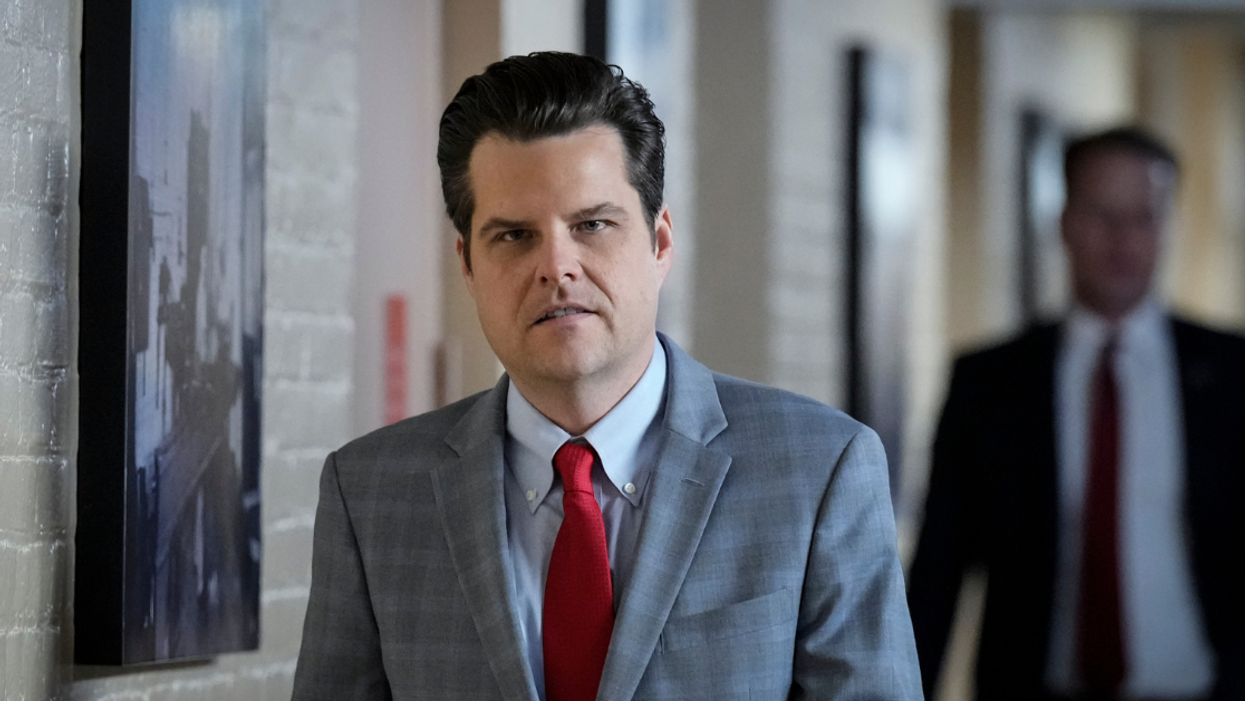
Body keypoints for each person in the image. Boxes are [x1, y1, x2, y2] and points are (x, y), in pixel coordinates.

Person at [291, 52, 921, 701]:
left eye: (591, 224)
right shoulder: (370, 493)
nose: (556, 266)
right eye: (512, 235)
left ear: (660, 242)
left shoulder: (819, 471)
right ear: (468, 264)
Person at [908, 126, 1245, 700]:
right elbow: (939, 569)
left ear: (1166, 227)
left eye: (1142, 217)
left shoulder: (1233, 373)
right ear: (1062, 222)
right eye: (1102, 215)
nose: (1122, 240)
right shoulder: (990, 382)